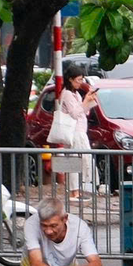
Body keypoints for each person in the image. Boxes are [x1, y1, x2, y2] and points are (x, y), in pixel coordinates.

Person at [50, 62, 98, 194]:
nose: (80, 83)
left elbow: (84, 112)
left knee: (83, 160)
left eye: (81, 79)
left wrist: (89, 100)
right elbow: (75, 113)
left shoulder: (76, 94)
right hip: (74, 132)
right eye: (78, 80)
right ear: (70, 79)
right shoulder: (67, 94)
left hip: (81, 130)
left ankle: (78, 189)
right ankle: (74, 190)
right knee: (75, 161)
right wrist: (85, 101)